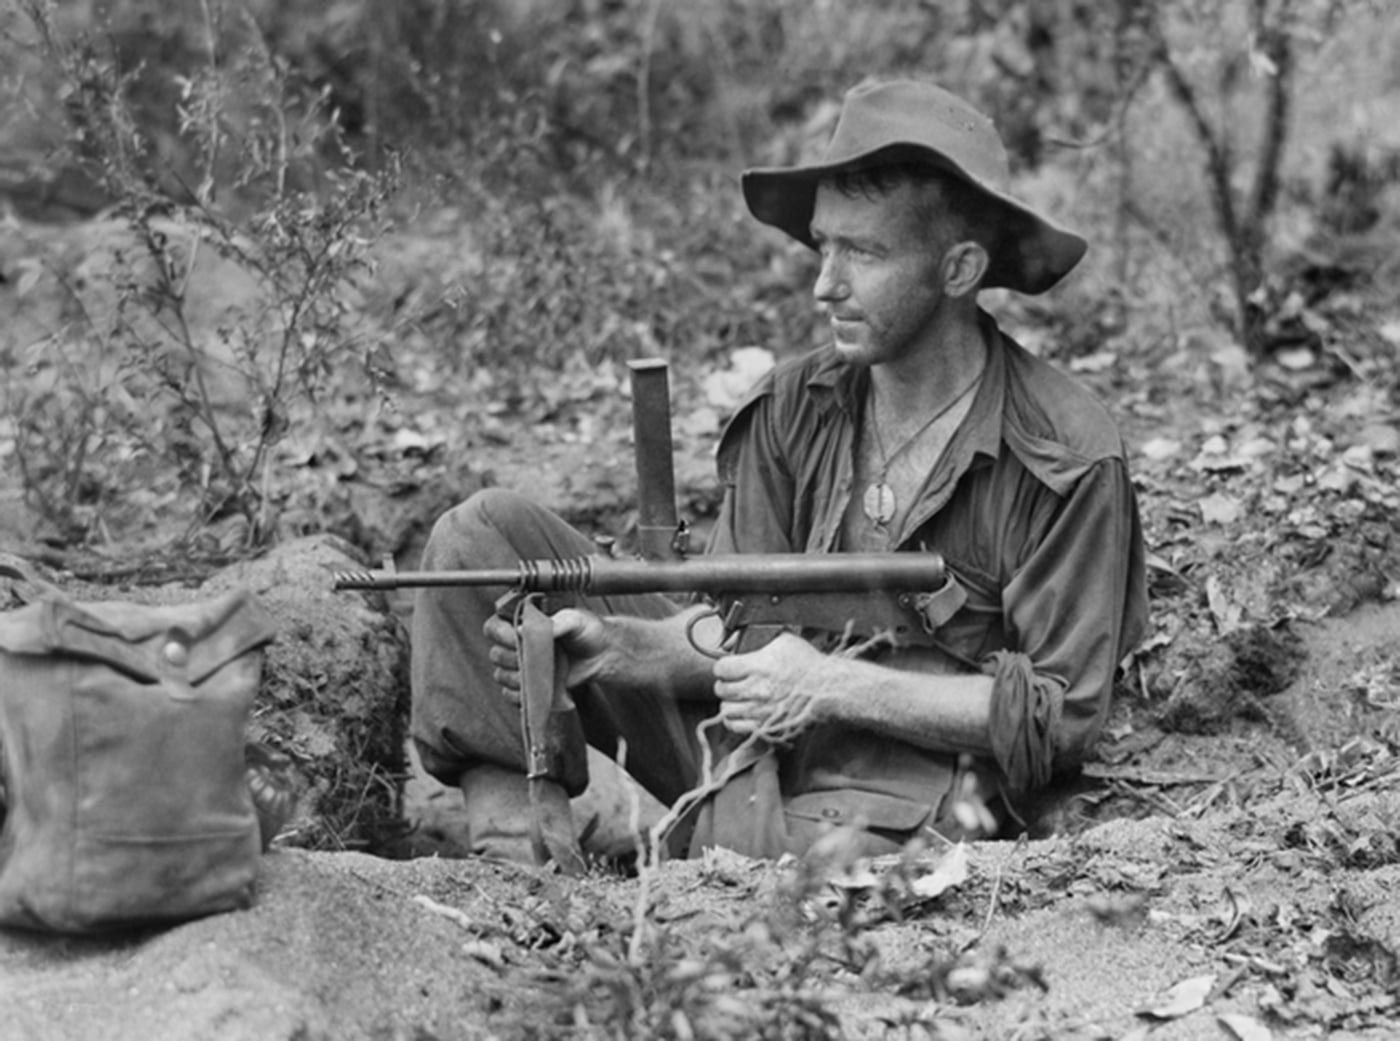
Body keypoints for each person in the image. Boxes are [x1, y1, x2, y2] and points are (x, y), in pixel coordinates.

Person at [410, 79, 1148, 868]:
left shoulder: (1064, 455)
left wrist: (831, 685)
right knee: (482, 543)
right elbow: (739, 633)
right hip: (750, 742)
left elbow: (1062, 718)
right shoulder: (796, 405)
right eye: (823, 245)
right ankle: (519, 871)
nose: (825, 283)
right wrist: (624, 646)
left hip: (908, 795)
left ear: (959, 268)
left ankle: (709, 871)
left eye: (863, 252)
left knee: (784, 864)